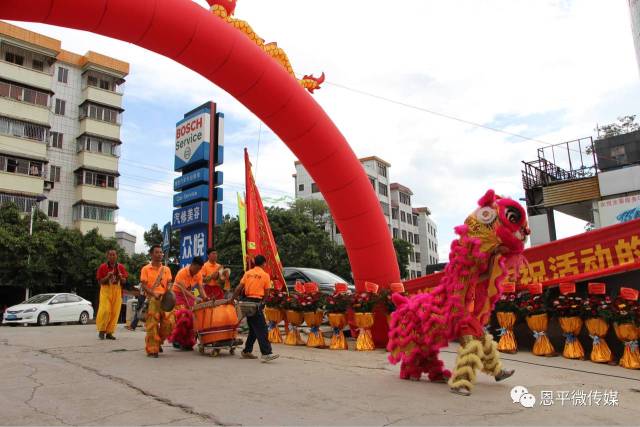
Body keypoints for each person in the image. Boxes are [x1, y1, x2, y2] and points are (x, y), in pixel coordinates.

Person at [231, 254, 279, 362]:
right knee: (262, 329)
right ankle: (266, 353)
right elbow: (267, 292)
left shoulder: (248, 273)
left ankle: (247, 351)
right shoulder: (265, 275)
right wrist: (263, 302)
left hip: (246, 303)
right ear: (263, 263)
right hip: (256, 304)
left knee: (253, 329)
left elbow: (239, 287)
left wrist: (232, 299)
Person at [140, 245, 174, 358]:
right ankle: (152, 349)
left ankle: (158, 341)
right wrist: (153, 293)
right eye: (157, 252)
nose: (159, 254)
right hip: (152, 299)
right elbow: (143, 285)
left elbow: (169, 282)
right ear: (151, 254)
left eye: (161, 252)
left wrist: (169, 290)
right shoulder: (145, 269)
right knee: (152, 324)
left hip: (165, 299)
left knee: (169, 324)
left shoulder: (166, 269)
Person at [170, 257, 207, 350]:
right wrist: (195, 298)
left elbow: (200, 288)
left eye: (199, 269)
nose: (198, 271)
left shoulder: (198, 274)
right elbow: (183, 290)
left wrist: (206, 298)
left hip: (189, 295)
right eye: (197, 268)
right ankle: (176, 340)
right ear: (193, 265)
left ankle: (187, 342)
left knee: (192, 319)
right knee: (182, 317)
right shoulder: (182, 273)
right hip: (178, 295)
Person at [95, 249, 128, 340]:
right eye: (110, 255)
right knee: (105, 310)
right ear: (107, 256)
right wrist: (107, 276)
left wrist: (121, 278)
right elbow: (100, 282)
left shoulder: (120, 267)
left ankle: (109, 332)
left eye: (114, 255)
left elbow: (124, 281)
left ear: (117, 256)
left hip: (117, 291)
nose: (112, 256)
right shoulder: (103, 267)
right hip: (106, 290)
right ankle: (102, 330)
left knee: (114, 312)